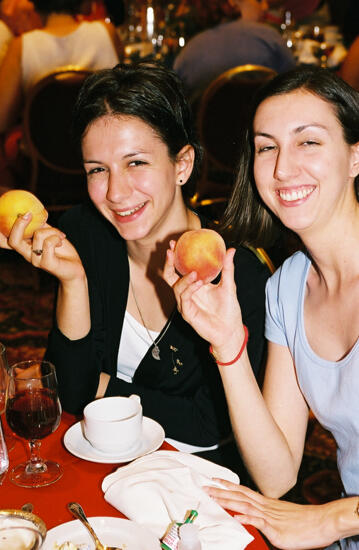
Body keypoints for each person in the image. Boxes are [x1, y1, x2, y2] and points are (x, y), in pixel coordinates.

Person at [0, 62, 269, 476]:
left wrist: (101, 385)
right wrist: (74, 281)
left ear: (182, 165)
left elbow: (209, 425)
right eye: (97, 170)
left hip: (198, 480)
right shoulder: (86, 236)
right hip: (101, 465)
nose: (115, 192)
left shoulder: (235, 272)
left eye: (136, 163)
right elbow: (69, 394)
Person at [163, 66, 359, 548]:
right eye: (267, 146)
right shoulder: (287, 286)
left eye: (308, 142)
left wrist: (333, 520)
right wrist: (228, 347)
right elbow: (276, 474)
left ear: (356, 156)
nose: (282, 169)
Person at [0, 0, 121, 133]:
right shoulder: (106, 32)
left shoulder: (21, 47)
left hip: (45, 149)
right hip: (105, 143)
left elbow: (2, 120)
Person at [173, 0, 295, 103]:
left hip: (207, 129)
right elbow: (294, 84)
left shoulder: (188, 52)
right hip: (264, 126)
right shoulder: (269, 36)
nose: (264, 7)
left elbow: (178, 101)